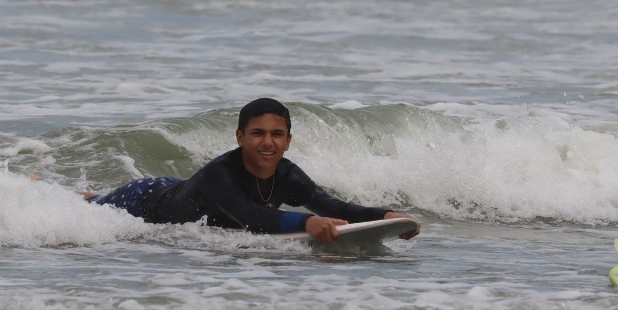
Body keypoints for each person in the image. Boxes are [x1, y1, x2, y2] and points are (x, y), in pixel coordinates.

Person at [83, 98, 420, 244]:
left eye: (277, 134)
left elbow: (332, 207)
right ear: (240, 137)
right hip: (145, 201)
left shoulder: (288, 174)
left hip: (179, 189)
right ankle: (75, 194)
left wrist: (387, 216)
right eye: (257, 133)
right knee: (91, 208)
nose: (267, 143)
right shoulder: (221, 174)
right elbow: (249, 216)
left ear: (288, 141)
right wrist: (305, 223)